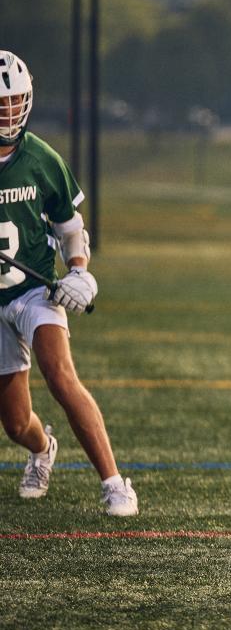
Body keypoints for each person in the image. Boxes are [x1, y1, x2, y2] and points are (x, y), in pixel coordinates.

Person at [0, 50, 138, 515]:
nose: (8, 111)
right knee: (17, 424)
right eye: (1, 103)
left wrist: (79, 269)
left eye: (14, 100)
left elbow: (70, 228)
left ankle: (115, 482)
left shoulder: (41, 158)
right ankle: (42, 450)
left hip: (35, 290)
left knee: (60, 375)